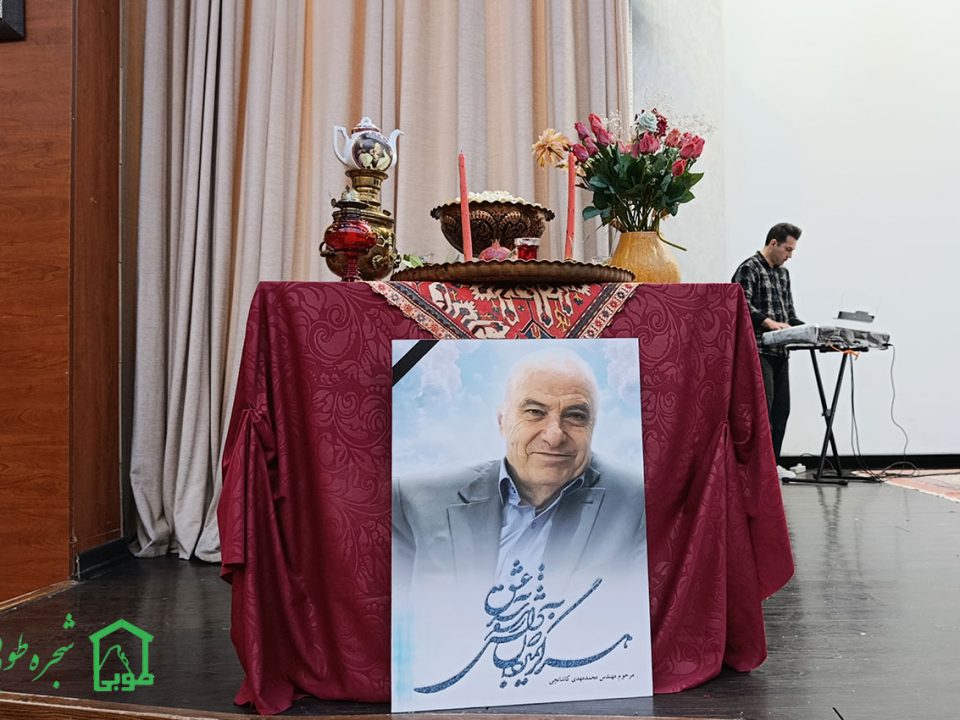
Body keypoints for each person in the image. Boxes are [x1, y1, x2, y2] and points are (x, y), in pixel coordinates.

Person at [392, 349, 646, 599]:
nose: (554, 436)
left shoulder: (638, 505)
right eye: (535, 412)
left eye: (576, 416)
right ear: (502, 422)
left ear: (593, 425)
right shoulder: (413, 504)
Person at [732, 222, 803, 481]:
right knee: (763, 410)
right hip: (759, 350)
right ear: (773, 243)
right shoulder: (749, 268)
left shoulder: (783, 274)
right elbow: (740, 304)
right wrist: (768, 322)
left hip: (780, 352)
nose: (789, 256)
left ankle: (772, 464)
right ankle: (757, 467)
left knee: (781, 409)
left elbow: (789, 315)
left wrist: (811, 330)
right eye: (787, 249)